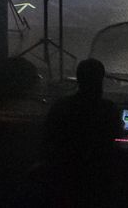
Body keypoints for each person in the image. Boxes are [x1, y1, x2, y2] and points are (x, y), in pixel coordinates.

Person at [39, 58, 120, 203]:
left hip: (63, 178)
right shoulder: (108, 109)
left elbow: (47, 137)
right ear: (100, 80)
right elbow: (116, 135)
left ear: (78, 79)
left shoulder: (61, 106)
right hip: (97, 178)